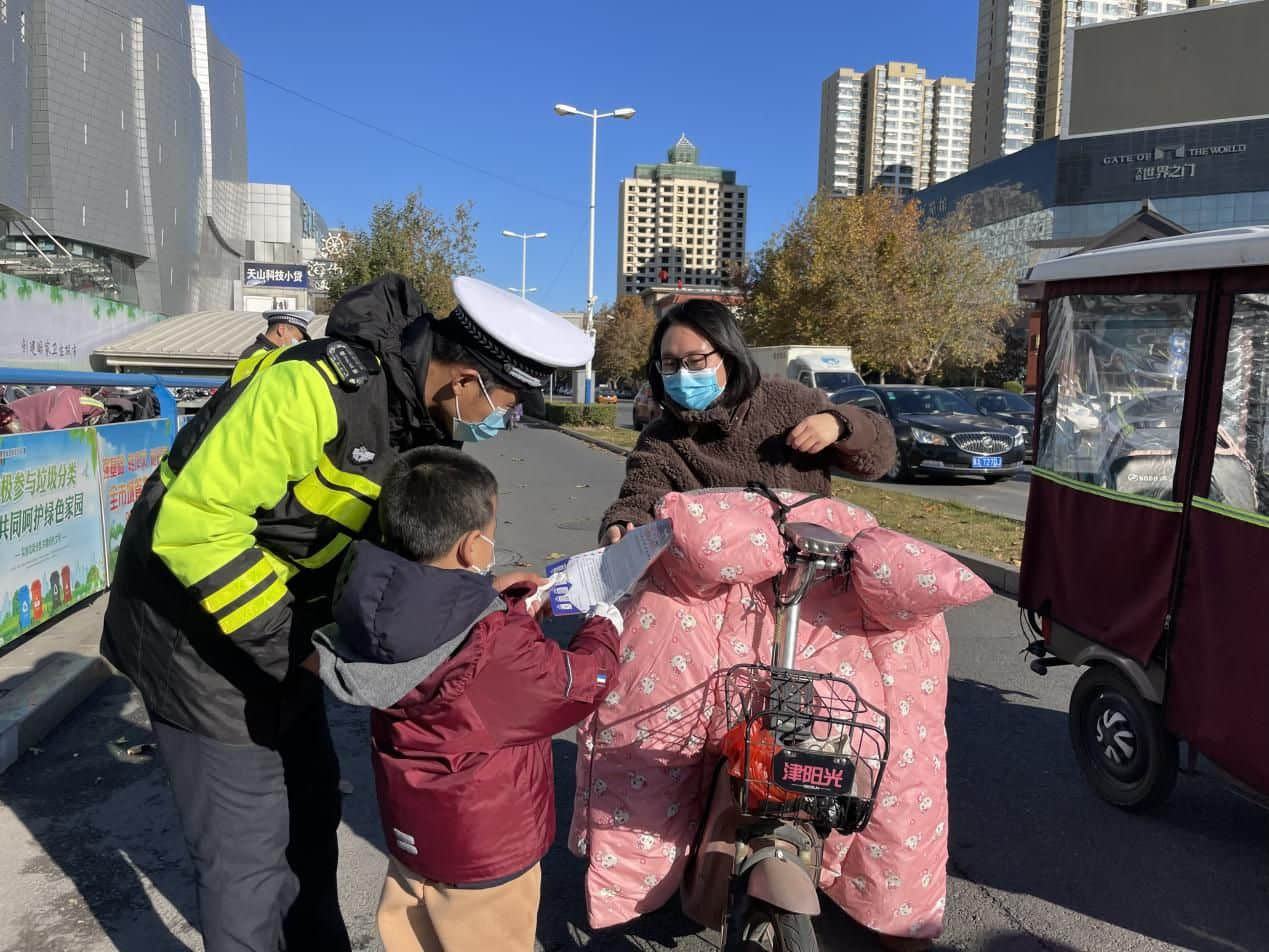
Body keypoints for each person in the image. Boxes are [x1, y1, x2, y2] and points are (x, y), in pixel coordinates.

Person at [100, 274, 593, 952]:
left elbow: (393, 553)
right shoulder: (311, 389)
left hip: (290, 637)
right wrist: (290, 649)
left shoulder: (427, 423)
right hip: (196, 636)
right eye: (508, 398)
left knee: (310, 816)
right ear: (465, 381)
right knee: (249, 857)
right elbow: (195, 527)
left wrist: (475, 595)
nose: (506, 417)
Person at [312, 447, 622, 952]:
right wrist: (605, 625)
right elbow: (577, 683)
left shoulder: (372, 603)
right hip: (486, 853)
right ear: (473, 548)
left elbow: (451, 636)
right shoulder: (492, 643)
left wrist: (500, 605)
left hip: (412, 838)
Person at [600, 299, 897, 542]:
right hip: (708, 591)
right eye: (670, 363)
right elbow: (640, 496)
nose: (682, 374)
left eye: (695, 361)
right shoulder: (661, 439)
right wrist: (623, 524)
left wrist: (841, 424)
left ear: (727, 355)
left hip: (802, 586)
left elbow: (879, 457)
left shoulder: (791, 403)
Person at [239, 308, 314, 360]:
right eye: (297, 339)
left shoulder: (265, 353)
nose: (297, 344)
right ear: (281, 329)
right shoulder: (260, 355)